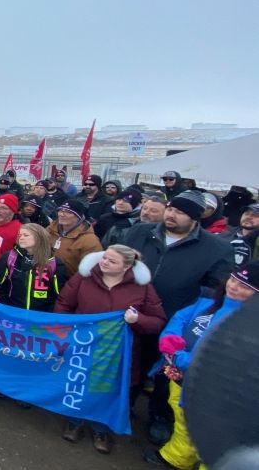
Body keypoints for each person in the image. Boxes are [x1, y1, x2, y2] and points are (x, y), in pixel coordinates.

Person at [121, 189, 234, 445]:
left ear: (195, 218)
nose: (172, 215)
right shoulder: (141, 232)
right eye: (171, 209)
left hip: (175, 321)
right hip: (133, 314)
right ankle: (124, 406)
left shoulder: (215, 248)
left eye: (180, 212)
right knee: (131, 363)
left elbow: (217, 289)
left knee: (166, 373)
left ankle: (160, 416)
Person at [142, 261, 257, 469]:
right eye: (233, 279)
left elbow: (224, 361)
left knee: (212, 437)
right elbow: (181, 318)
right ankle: (177, 458)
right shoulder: (208, 302)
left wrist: (179, 358)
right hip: (181, 381)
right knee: (183, 423)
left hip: (216, 395)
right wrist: (170, 338)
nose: (233, 286)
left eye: (244, 286)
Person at [55, 245, 166, 454]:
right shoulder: (84, 277)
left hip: (116, 352)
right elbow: (64, 304)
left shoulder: (142, 288)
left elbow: (158, 321)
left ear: (126, 267)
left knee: (106, 390)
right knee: (78, 383)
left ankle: (100, 429)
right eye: (104, 258)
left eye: (112, 261)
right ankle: (74, 421)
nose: (104, 262)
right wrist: (64, 333)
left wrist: (138, 319)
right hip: (83, 345)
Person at [0, 223, 67, 311]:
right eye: (20, 235)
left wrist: (49, 314)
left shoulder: (54, 263)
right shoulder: (9, 257)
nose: (21, 238)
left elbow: (60, 294)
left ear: (39, 238)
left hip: (40, 318)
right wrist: (4, 307)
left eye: (26, 235)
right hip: (13, 313)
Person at [47, 200, 103, 277]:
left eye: (68, 212)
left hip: (69, 282)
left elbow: (92, 271)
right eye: (60, 211)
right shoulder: (50, 230)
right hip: (45, 278)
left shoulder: (89, 240)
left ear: (78, 217)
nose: (62, 214)